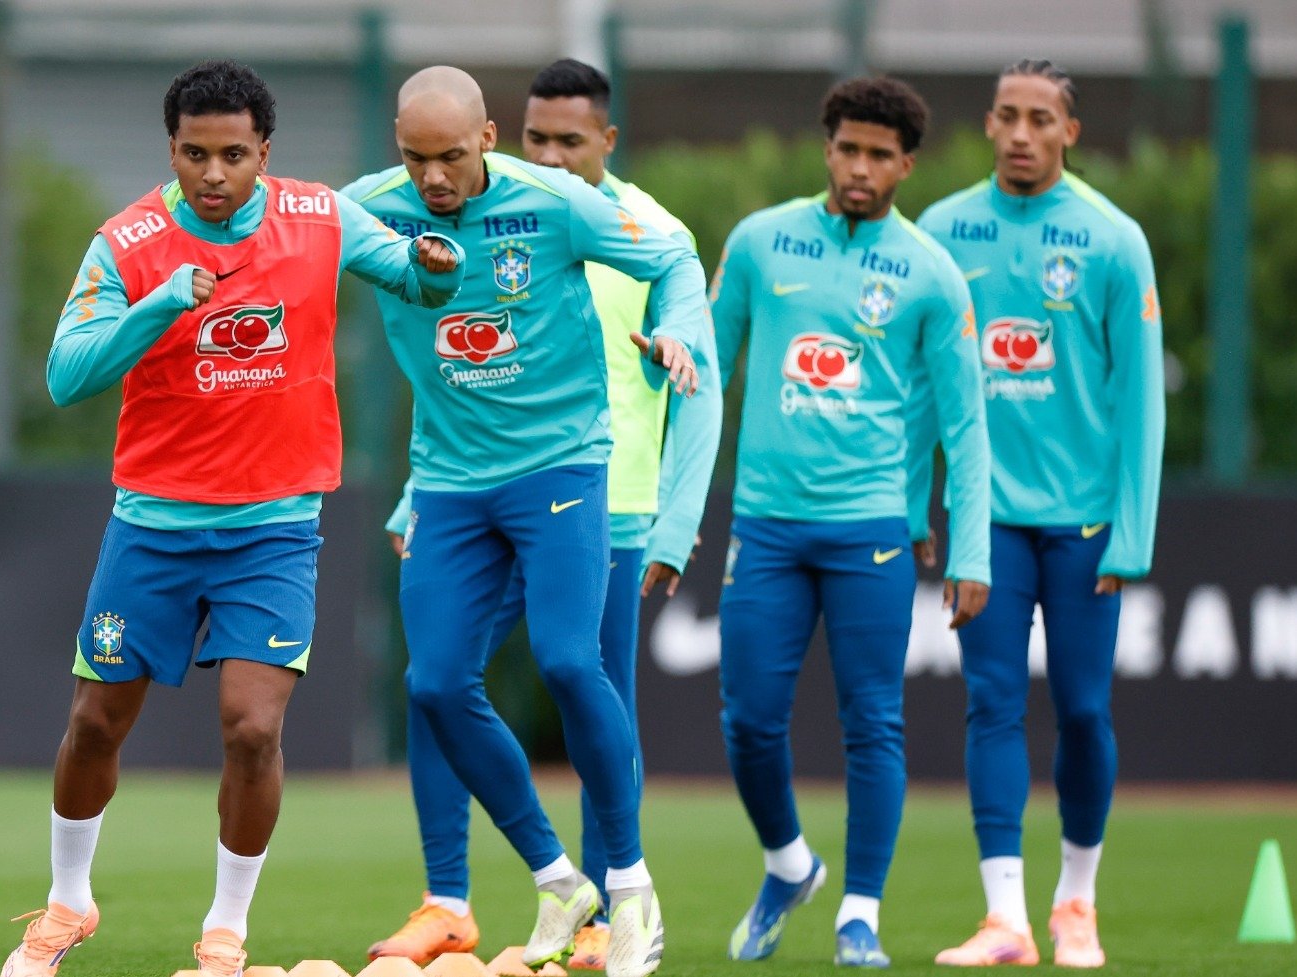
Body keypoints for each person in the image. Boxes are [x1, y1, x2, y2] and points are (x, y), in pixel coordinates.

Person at [0, 60, 464, 977]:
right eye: (194, 155)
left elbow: (419, 281)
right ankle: (66, 903)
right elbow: (65, 374)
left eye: (234, 155)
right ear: (170, 149)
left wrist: (438, 264)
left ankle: (225, 932)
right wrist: (159, 307)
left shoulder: (319, 216)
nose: (214, 176)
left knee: (253, 727)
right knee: (95, 720)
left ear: (266, 152)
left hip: (274, 527)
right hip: (153, 525)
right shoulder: (128, 241)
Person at [340, 64, 709, 977]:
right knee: (434, 683)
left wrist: (679, 333)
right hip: (451, 482)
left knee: (568, 660)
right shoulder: (369, 207)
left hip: (562, 467)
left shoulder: (558, 202)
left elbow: (673, 258)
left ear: (489, 139)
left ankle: (628, 888)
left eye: (452, 157)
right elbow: (265, 220)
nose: (433, 178)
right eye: (416, 157)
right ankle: (557, 877)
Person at [710, 76, 991, 968]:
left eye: (880, 154)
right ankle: (789, 864)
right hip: (766, 526)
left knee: (873, 723)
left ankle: (858, 914)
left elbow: (966, 425)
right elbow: (701, 376)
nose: (860, 167)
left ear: (907, 164)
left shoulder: (933, 274)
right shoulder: (759, 242)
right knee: (749, 717)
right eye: (848, 148)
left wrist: (971, 548)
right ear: (826, 147)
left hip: (871, 528)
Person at [917, 59, 1164, 969]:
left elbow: (1142, 400)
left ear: (1071, 132)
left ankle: (1076, 901)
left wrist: (1132, 531)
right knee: (989, 703)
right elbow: (918, 390)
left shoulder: (1112, 239)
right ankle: (1005, 920)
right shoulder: (943, 232)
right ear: (987, 124)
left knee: (1085, 711)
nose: (1023, 134)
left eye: (1041, 119)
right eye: (1008, 117)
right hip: (986, 523)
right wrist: (921, 506)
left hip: (1088, 523)